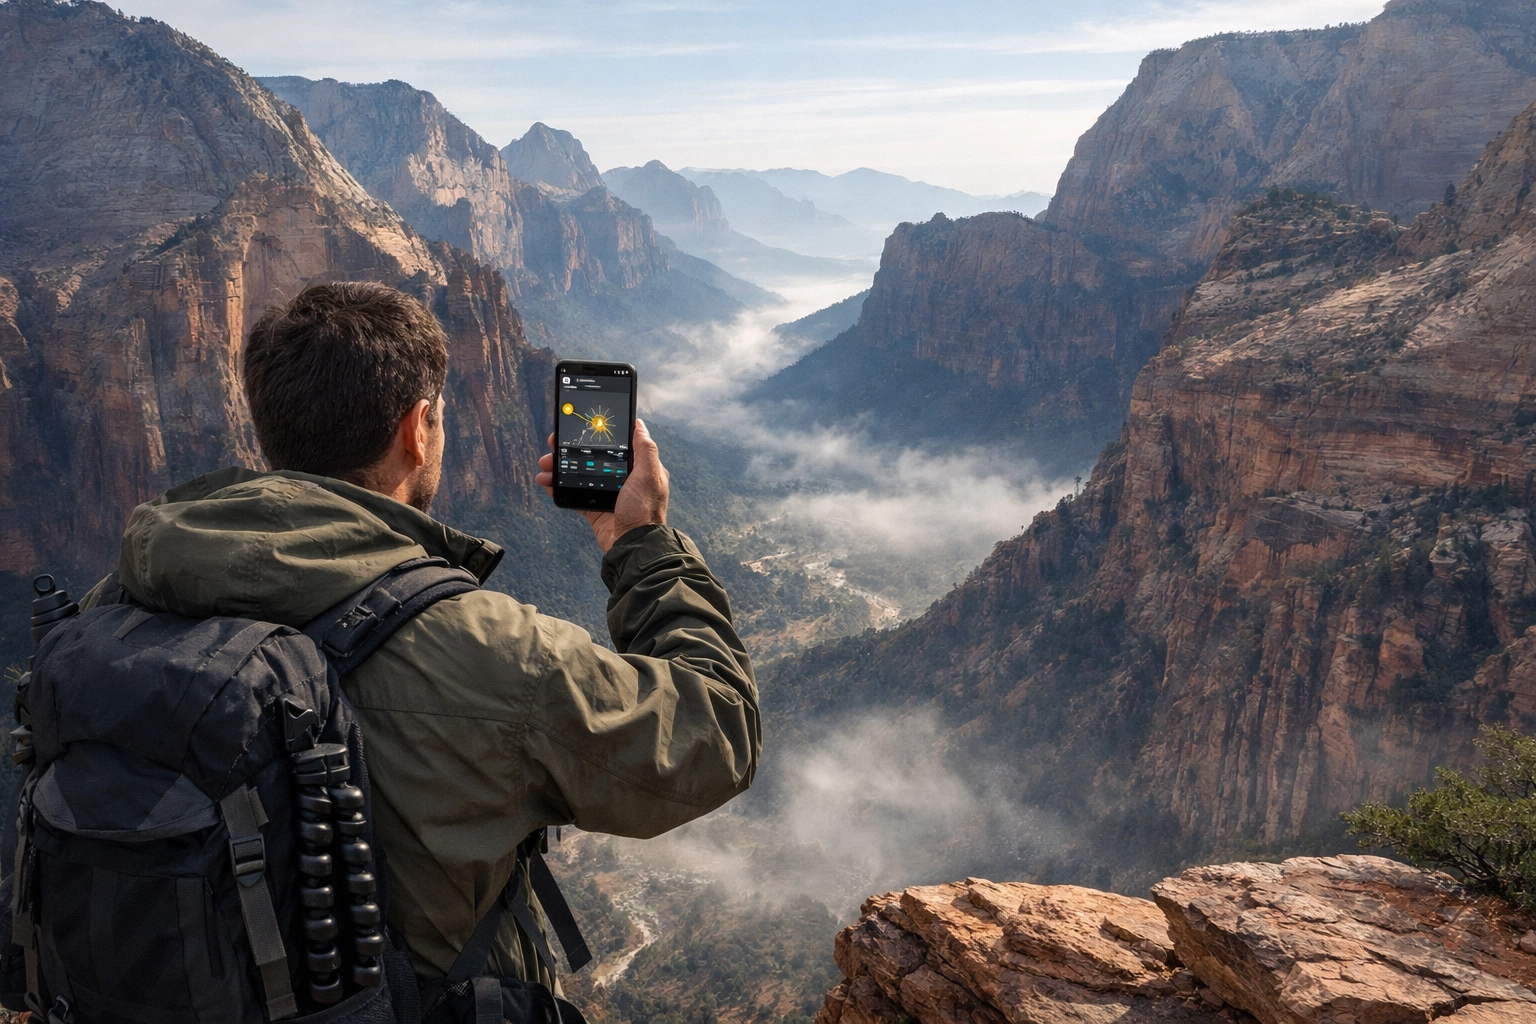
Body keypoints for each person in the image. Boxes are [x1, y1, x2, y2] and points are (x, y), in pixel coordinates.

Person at [83, 281, 760, 990]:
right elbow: (715, 733)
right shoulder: (485, 653)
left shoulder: (120, 598)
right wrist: (639, 539)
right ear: (417, 428)